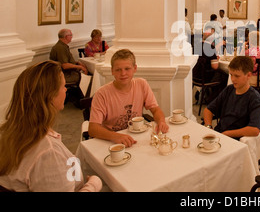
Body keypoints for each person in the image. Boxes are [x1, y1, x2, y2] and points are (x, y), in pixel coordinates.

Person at [0, 61, 102, 192]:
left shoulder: (7, 131)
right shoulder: (47, 153)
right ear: (50, 96)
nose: (66, 89)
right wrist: (93, 184)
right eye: (63, 86)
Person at [88, 49, 169, 148]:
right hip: (111, 141)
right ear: (112, 71)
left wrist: (161, 121)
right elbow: (93, 128)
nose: (123, 74)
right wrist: (116, 136)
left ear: (135, 68)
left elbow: (155, 110)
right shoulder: (102, 94)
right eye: (118, 70)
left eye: (127, 69)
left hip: (136, 137)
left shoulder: (141, 84)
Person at [203, 56, 260, 139]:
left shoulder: (253, 97)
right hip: (220, 134)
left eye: (237, 76)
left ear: (248, 75)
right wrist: (209, 127)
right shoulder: (229, 89)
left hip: (236, 139)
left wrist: (227, 134)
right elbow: (208, 110)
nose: (233, 79)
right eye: (231, 75)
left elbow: (255, 130)